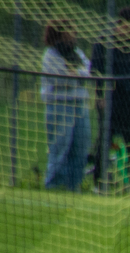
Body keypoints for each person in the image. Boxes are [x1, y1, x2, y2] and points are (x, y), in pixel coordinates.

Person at [91, 7, 130, 192]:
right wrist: (100, 95)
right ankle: (99, 183)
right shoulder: (104, 44)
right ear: (124, 23)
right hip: (112, 101)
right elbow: (96, 70)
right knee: (105, 142)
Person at [42, 23, 92, 191]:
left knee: (81, 146)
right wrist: (76, 76)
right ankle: (54, 185)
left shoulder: (77, 53)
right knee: (60, 147)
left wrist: (76, 74)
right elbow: (59, 79)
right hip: (60, 106)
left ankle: (73, 186)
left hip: (80, 105)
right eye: (69, 32)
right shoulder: (51, 54)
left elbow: (89, 71)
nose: (73, 35)